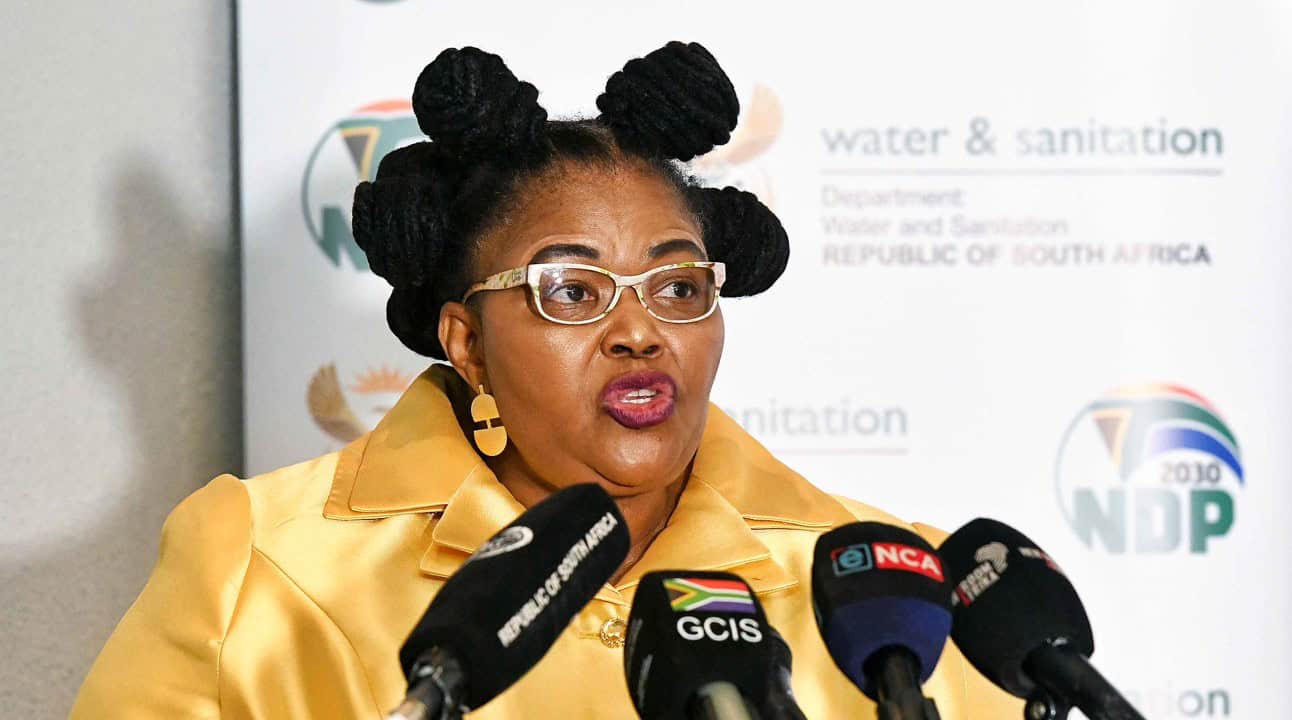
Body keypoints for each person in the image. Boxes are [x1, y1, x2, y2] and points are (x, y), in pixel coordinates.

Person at [71, 42, 1021, 719]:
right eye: (572, 291)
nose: (640, 332)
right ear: (468, 344)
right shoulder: (257, 565)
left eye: (678, 287)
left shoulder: (901, 595)